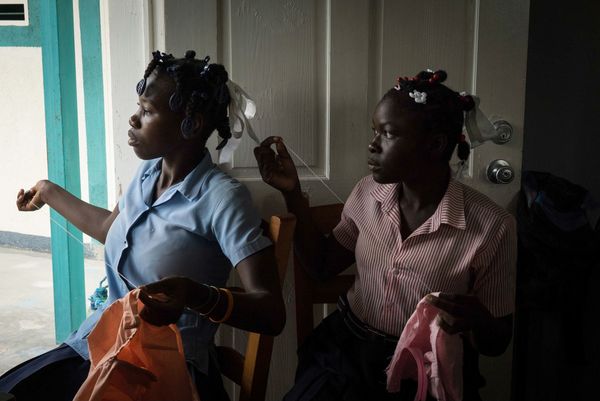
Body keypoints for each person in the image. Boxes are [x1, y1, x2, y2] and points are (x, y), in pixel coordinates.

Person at [0, 50, 285, 401]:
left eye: (147, 111)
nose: (133, 119)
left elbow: (272, 313)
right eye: (139, 107)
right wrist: (47, 191)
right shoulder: (148, 173)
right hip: (102, 345)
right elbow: (110, 227)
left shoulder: (222, 199)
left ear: (192, 124)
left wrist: (196, 295)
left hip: (163, 372)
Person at [254, 70, 516, 401]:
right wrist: (292, 193)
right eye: (374, 131)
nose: (372, 145)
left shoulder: (492, 226)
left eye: (388, 134)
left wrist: (477, 318)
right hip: (347, 355)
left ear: (435, 144)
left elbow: (497, 343)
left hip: (426, 369)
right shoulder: (368, 193)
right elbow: (321, 266)